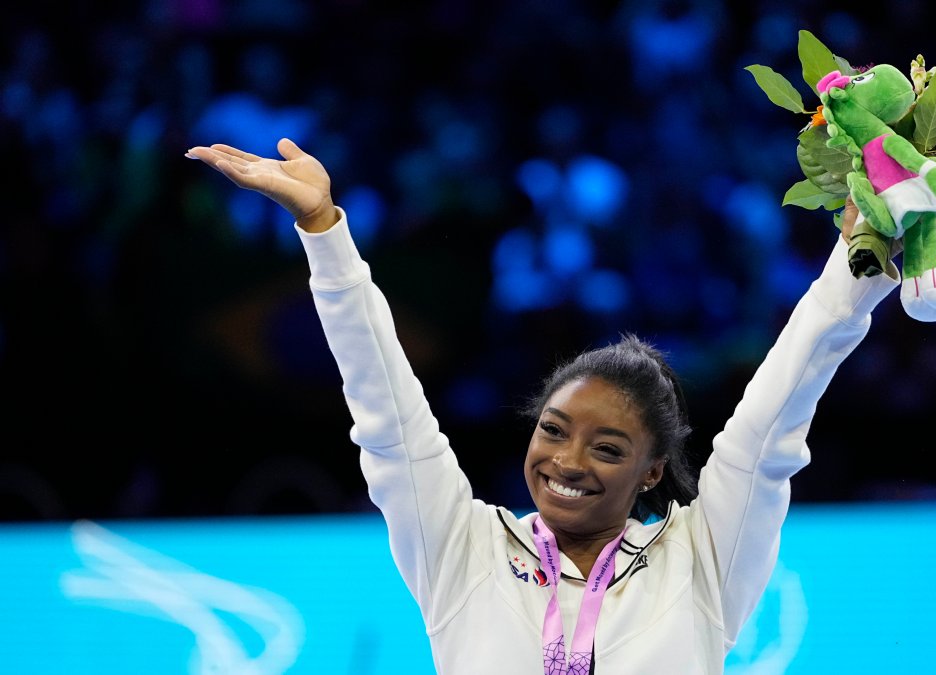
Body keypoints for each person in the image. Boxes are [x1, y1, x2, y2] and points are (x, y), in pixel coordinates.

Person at [186, 137, 900, 674]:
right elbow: (387, 412)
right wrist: (325, 232)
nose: (568, 460)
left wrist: (857, 261)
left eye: (608, 447)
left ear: (652, 472)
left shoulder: (702, 558)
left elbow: (770, 430)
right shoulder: (465, 553)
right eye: (555, 430)